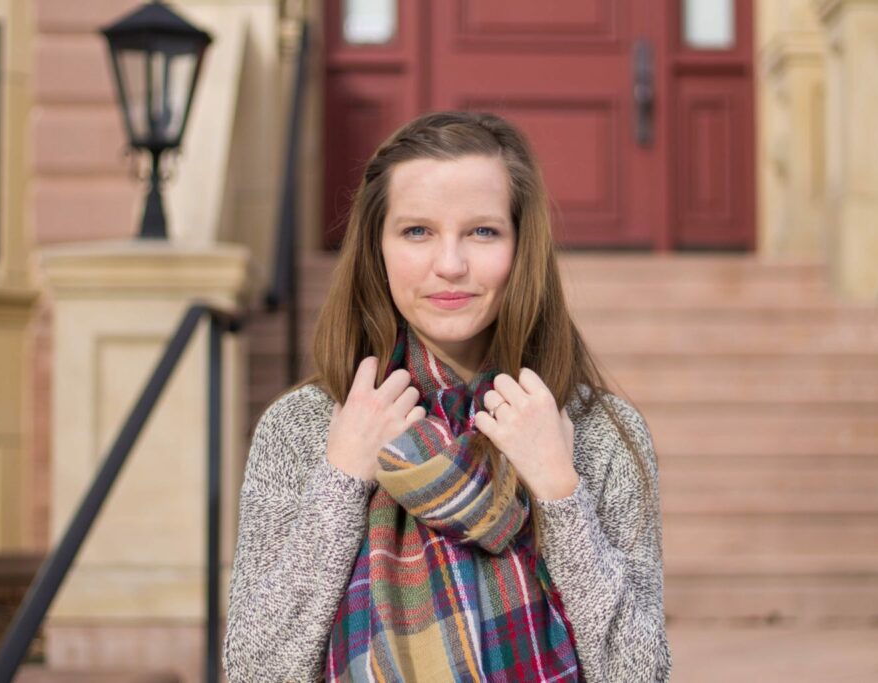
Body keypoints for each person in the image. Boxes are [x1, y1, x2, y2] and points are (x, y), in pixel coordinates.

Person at [223, 111, 671, 682]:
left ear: (521, 247)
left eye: (483, 231)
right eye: (418, 232)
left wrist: (561, 491)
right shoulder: (304, 427)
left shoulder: (599, 430)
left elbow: (641, 674)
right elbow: (253, 672)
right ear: (376, 250)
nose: (451, 265)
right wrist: (341, 477)